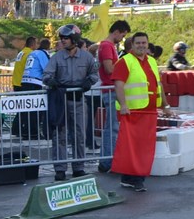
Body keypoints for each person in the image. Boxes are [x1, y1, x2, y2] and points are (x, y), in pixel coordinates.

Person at [112, 31, 173, 192]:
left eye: (143, 43)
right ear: (132, 45)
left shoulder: (151, 61)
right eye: (138, 43)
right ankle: (136, 178)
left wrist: (165, 106)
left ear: (147, 44)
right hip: (133, 112)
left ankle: (130, 178)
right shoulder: (125, 61)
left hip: (149, 112)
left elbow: (158, 85)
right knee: (133, 147)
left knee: (142, 147)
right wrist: (123, 105)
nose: (141, 46)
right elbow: (118, 84)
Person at [43, 25, 97, 179]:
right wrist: (51, 81)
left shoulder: (87, 57)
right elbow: (46, 75)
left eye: (66, 38)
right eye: (61, 38)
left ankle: (78, 167)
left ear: (74, 39)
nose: (63, 41)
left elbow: (94, 73)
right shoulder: (56, 57)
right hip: (61, 101)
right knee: (59, 135)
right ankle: (60, 169)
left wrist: (89, 81)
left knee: (79, 135)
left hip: (78, 101)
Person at [97, 20, 131, 172]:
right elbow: (109, 68)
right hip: (110, 90)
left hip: (110, 90)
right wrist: (124, 67)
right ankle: (107, 161)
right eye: (122, 36)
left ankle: (107, 160)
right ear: (116, 32)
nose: (122, 39)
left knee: (111, 127)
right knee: (112, 128)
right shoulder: (107, 46)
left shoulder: (107, 46)